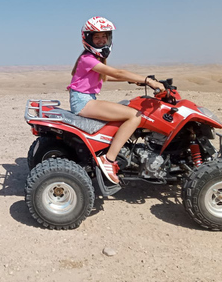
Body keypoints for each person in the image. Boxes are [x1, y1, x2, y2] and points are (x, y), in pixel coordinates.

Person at [67, 16, 165, 185]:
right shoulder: (87, 59)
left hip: (85, 99)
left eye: (104, 36)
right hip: (83, 102)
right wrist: (147, 81)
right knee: (135, 116)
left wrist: (133, 81)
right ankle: (109, 160)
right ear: (88, 39)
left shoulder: (91, 59)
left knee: (128, 105)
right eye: (97, 37)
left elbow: (104, 77)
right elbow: (117, 73)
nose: (101, 40)